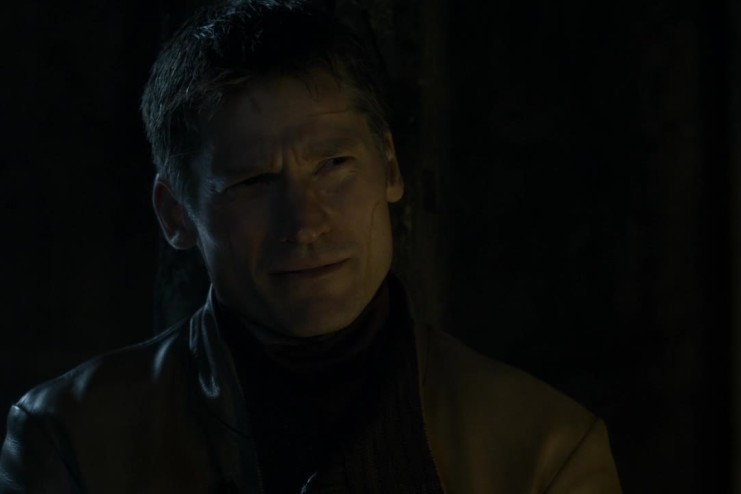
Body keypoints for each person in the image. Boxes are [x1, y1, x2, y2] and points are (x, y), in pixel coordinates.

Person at [0, 1, 622, 492]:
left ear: (390, 168)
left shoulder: (545, 450)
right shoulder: (73, 438)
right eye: (252, 181)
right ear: (176, 214)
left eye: (334, 165)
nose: (304, 223)